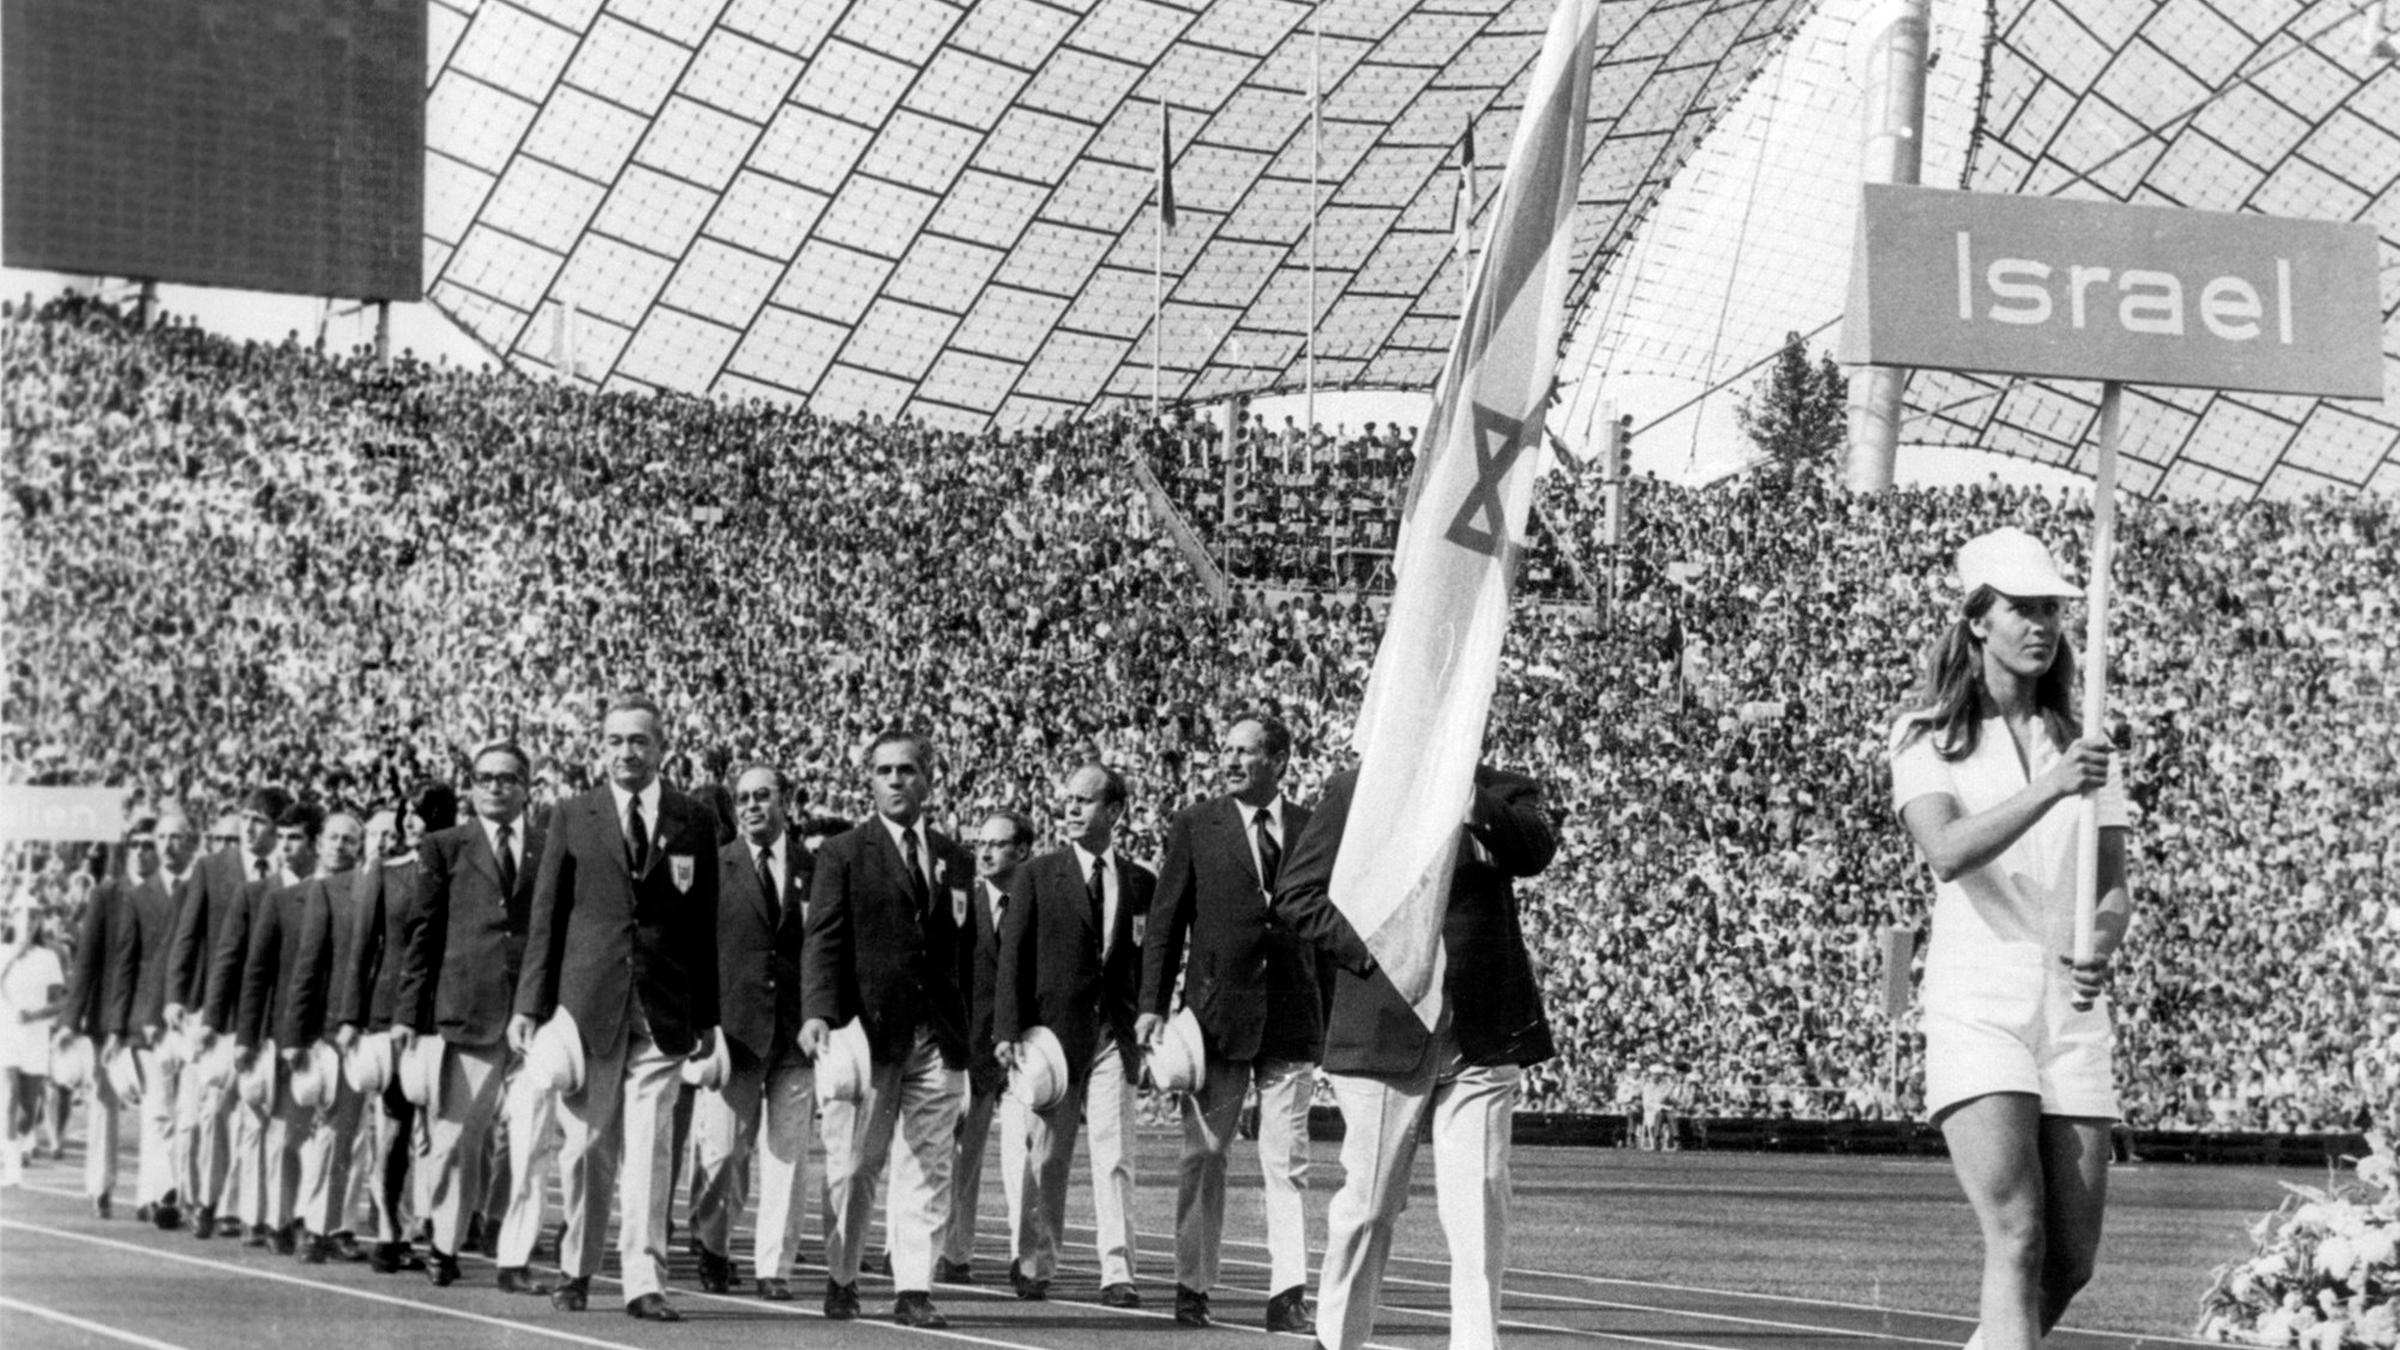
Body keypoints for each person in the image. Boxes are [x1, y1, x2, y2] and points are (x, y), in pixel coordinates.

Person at [1889, 527, 2131, 1350]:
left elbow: (2112, 888)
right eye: (2022, 609)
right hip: (1978, 1004)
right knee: (2017, 1237)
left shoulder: (2085, 745)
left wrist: (2100, 940)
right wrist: (2055, 786)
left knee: (2070, 1263)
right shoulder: (1927, 736)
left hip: (2071, 1016)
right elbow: (1949, 851)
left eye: (2053, 611)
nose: (2042, 626)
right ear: (1976, 624)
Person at [1274, 761, 1559, 1350]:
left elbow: (1535, 850)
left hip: (1481, 1033)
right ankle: (1337, 1338)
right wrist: (1379, 954)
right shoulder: (1357, 787)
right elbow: (1297, 894)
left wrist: (1470, 796)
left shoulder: (1503, 788)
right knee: (1372, 1204)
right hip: (1385, 1027)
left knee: (1482, 1199)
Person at [511, 694, 721, 1322]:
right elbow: (546, 917)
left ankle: (643, 1281)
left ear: (662, 748)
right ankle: (577, 1266)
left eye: (639, 741)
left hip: (662, 1007)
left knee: (653, 1149)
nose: (627, 752)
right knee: (587, 1146)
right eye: (615, 741)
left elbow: (703, 924)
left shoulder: (693, 819)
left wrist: (707, 1016)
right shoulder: (573, 815)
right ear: (599, 748)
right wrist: (531, 1002)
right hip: (589, 1004)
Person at [1138, 714, 1321, 1332]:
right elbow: (1166, 921)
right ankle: (1192, 1286)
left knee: (1286, 1159)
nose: (1231, 760)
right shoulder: (1197, 825)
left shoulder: (1311, 828)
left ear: (1279, 761)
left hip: (1294, 1017)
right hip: (1217, 1019)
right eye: (1227, 750)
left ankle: (1287, 1294)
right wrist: (1149, 1006)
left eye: (1246, 752)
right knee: (1207, 1153)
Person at [799, 729, 976, 1330]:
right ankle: (843, 1276)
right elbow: (822, 937)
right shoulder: (844, 853)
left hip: (937, 1034)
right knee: (855, 1164)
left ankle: (913, 1287)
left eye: (906, 769)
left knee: (930, 1164)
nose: (896, 780)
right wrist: (819, 1013)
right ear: (869, 780)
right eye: (884, 770)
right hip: (869, 1031)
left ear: (929, 777)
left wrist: (970, 1032)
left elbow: (963, 949)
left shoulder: (955, 856)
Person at [995, 763, 1155, 1311]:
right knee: (1048, 1156)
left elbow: (1145, 962)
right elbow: (1012, 957)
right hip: (1053, 1041)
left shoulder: (1139, 882)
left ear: (1113, 811)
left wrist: (1148, 1018)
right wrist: (1007, 1030)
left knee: (1115, 1156)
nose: (1070, 808)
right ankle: (1036, 1263)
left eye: (1084, 801)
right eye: (1067, 798)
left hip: (1115, 1034)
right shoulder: (1038, 874)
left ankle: (1118, 1271)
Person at [398, 743, 545, 1289]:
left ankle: (513, 1251)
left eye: (507, 778)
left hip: (534, 1014)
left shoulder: (549, 848)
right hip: (467, 1014)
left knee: (529, 1141)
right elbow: (423, 935)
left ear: (528, 785)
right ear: (471, 786)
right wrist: (409, 1018)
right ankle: (443, 1240)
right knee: (457, 1138)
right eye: (484, 778)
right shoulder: (445, 847)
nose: (495, 787)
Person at [687, 763, 814, 1302]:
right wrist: (702, 1025)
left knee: (788, 1155)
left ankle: (773, 1268)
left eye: (764, 796)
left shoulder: (817, 867)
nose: (753, 806)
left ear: (786, 801)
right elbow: (694, 954)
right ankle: (712, 1247)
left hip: (794, 1034)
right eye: (743, 798)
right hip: (733, 1034)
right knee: (723, 1153)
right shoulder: (716, 868)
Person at [333, 783, 455, 1274]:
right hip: (391, 1014)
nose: (411, 821)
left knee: (444, 1130)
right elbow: (363, 948)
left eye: (423, 813)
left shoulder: (463, 872)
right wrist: (350, 1017)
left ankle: (438, 1231)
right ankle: (388, 1233)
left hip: (445, 1011)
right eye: (407, 812)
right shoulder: (384, 872)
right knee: (394, 1129)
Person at [165, 786, 291, 1240]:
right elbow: (188, 935)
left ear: (278, 830)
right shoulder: (212, 869)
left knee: (257, 1115)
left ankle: (242, 1208)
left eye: (260, 820)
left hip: (266, 1013)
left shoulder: (290, 874)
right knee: (214, 1110)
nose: (249, 827)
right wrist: (178, 996)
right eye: (246, 817)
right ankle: (205, 1199)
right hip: (219, 1008)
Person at [938, 807, 1034, 1285]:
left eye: (997, 844)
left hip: (1022, 1048)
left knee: (1023, 1154)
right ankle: (955, 1252)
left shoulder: (1037, 904)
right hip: (972, 1045)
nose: (986, 852)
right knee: (963, 1155)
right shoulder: (962, 905)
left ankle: (1025, 1256)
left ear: (1022, 850)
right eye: (981, 844)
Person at [1, 898, 66, 1189]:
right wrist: (14, 956)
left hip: (36, 1035)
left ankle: (17, 1138)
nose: (28, 921)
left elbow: (60, 1003)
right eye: (22, 915)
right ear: (13, 918)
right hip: (6, 1031)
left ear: (40, 921)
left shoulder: (49, 957)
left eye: (34, 916)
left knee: (28, 1107)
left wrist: (36, 1015)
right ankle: (12, 1164)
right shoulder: (3, 952)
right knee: (10, 1094)